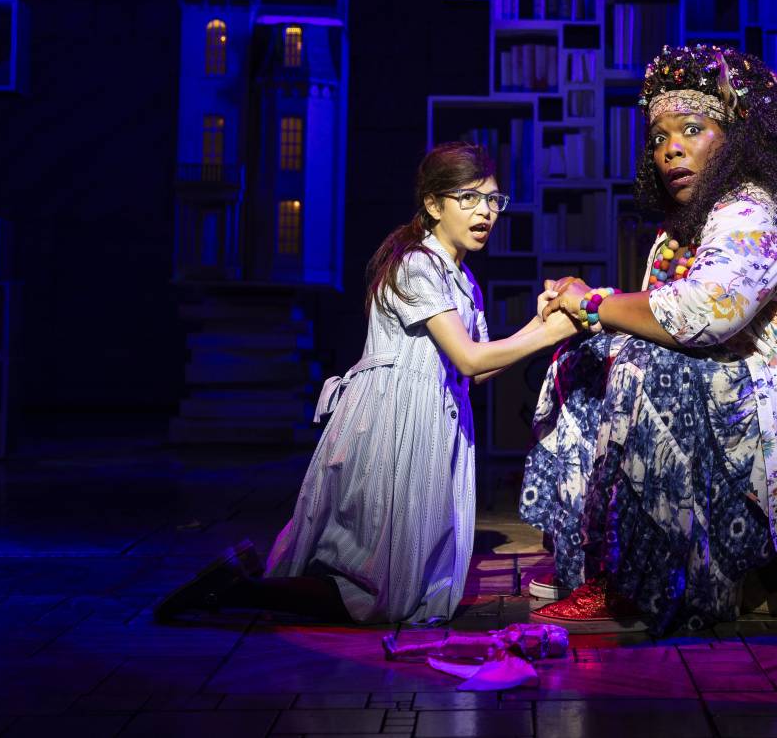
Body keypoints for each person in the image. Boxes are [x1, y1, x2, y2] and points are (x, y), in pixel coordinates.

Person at [519, 45, 777, 634]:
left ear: (736, 139)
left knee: (646, 364)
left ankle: (644, 581)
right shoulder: (688, 226)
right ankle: (593, 560)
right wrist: (589, 310)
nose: (670, 149)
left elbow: (703, 314)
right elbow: (662, 314)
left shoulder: (759, 207)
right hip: (762, 386)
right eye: (658, 138)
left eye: (692, 129)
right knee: (590, 358)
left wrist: (593, 304)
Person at [155, 142, 577, 624]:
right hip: (392, 421)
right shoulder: (416, 264)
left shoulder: (462, 279)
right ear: (433, 204)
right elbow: (467, 357)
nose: (485, 211)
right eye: (468, 198)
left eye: (493, 200)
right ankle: (239, 590)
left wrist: (539, 325)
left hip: (428, 422)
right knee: (376, 588)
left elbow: (479, 369)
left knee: (394, 586)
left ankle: (247, 585)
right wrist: (549, 333)